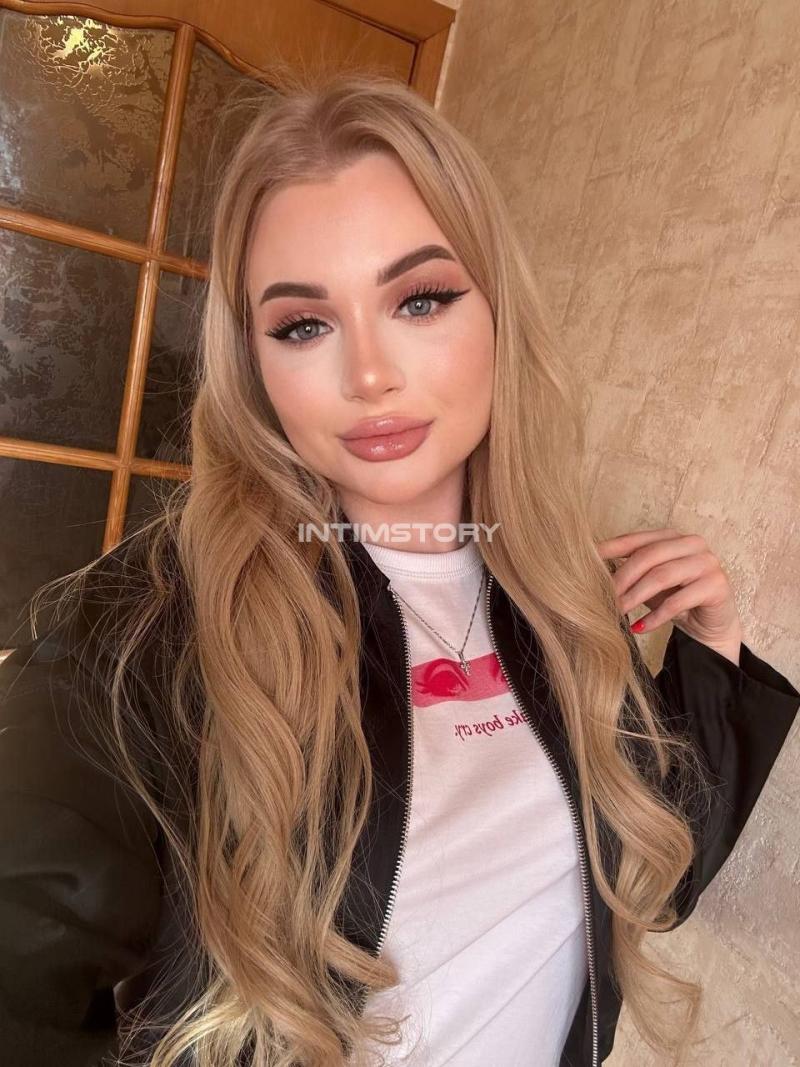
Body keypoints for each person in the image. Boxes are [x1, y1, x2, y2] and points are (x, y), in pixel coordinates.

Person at [0, 70, 797, 1067]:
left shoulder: (555, 594)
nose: (369, 373)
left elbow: (654, 876)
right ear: (254, 364)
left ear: (496, 314)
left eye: (420, 299)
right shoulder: (152, 618)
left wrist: (713, 652)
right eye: (303, 324)